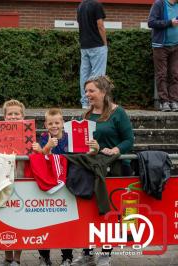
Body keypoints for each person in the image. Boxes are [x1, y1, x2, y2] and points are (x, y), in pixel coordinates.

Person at [71, 75, 134, 266]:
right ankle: (87, 252)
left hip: (114, 169)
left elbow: (129, 140)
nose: (87, 94)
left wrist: (115, 149)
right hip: (92, 169)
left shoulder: (119, 113)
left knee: (109, 212)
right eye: (86, 91)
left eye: (91, 91)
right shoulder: (87, 115)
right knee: (90, 212)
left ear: (103, 92)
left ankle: (106, 252)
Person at [32, 108, 99, 266]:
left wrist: (95, 149)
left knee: (67, 222)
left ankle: (67, 257)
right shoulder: (43, 137)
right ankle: (44, 256)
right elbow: (40, 157)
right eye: (50, 123)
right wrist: (47, 147)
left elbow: (85, 153)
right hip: (49, 183)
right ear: (45, 125)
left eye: (57, 122)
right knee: (43, 221)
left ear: (63, 123)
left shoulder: (71, 137)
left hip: (68, 181)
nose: (54, 126)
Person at [0, 99, 26, 266]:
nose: (14, 117)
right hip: (3, 180)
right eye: (10, 114)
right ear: (4, 118)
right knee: (4, 218)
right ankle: (7, 256)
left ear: (23, 116)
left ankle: (17, 258)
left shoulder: (28, 135)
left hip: (24, 180)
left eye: (17, 114)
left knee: (21, 220)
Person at [148, 0, 178, 112]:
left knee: (175, 74)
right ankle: (164, 102)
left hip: (176, 46)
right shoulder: (159, 4)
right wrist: (170, 22)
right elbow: (151, 22)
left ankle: (174, 101)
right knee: (162, 74)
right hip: (160, 46)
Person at [77, 0, 108, 109]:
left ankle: (85, 102)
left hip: (84, 45)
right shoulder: (96, 5)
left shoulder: (80, 6)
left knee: (84, 74)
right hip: (97, 44)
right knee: (98, 75)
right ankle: (95, 103)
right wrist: (105, 43)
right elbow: (100, 25)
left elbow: (80, 25)